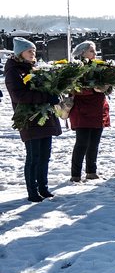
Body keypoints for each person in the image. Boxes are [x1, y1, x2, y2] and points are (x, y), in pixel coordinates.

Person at [5, 37, 61, 201]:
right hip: (29, 119)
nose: (33, 53)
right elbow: (18, 95)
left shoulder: (33, 69)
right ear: (20, 53)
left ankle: (43, 187)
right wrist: (45, 96)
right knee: (33, 157)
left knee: (45, 155)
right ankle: (32, 191)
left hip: (44, 118)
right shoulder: (14, 71)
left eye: (34, 51)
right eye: (29, 51)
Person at [68, 41, 110, 182]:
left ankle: (91, 171)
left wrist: (106, 87)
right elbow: (73, 88)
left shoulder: (99, 67)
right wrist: (92, 89)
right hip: (82, 111)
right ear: (82, 52)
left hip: (98, 109)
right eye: (91, 51)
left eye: (95, 50)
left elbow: (109, 86)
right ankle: (75, 174)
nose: (95, 53)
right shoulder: (75, 68)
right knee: (82, 143)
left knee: (94, 143)